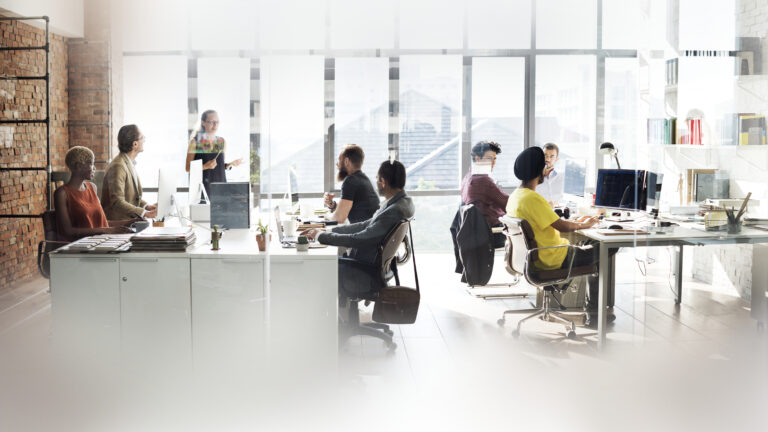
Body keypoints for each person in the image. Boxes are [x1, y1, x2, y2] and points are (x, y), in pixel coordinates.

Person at [505, 146, 614, 327]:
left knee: (592, 243)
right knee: (606, 246)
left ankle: (594, 310)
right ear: (540, 170)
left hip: (535, 257)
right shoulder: (532, 198)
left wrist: (580, 222)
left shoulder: (516, 196)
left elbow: (550, 220)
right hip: (554, 258)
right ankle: (594, 314)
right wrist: (584, 224)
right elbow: (562, 225)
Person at [302, 160, 415, 296]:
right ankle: (340, 313)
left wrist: (320, 236)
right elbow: (365, 224)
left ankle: (329, 314)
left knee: (317, 264)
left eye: (377, 180)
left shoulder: (394, 210)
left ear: (383, 182)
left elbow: (359, 239)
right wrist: (328, 231)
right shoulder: (403, 202)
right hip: (372, 266)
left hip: (364, 272)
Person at [54, 146, 133, 241]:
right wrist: (107, 231)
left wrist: (129, 222)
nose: (94, 168)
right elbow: (68, 231)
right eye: (91, 163)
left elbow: (101, 224)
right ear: (79, 166)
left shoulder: (92, 187)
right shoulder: (62, 193)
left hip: (100, 242)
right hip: (79, 247)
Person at [101, 125, 158, 220]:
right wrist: (145, 214)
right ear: (135, 144)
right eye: (142, 138)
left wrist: (147, 206)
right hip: (119, 225)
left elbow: (131, 197)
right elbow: (117, 202)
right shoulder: (118, 165)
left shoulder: (128, 162)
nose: (144, 141)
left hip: (128, 222)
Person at [460, 140, 508, 248]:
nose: (493, 163)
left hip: (477, 232)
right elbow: (507, 204)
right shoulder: (483, 180)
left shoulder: (468, 177)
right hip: (492, 234)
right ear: (477, 158)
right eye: (489, 158)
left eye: (495, 158)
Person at [185, 110, 243, 198]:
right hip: (202, 191)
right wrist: (205, 166)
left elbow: (219, 166)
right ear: (203, 123)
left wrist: (230, 164)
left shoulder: (221, 141)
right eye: (212, 122)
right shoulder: (195, 142)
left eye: (217, 122)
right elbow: (188, 168)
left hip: (221, 190)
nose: (215, 125)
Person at [323, 144, 380, 224]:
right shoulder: (364, 179)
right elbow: (350, 207)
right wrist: (332, 204)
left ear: (346, 161)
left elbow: (339, 219)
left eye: (339, 160)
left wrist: (326, 216)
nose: (337, 164)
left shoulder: (350, 181)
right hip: (369, 229)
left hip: (364, 233)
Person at [539, 142, 565, 207]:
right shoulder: (533, 178)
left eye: (552, 156)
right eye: (545, 155)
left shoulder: (561, 177)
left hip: (556, 210)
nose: (547, 159)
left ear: (556, 159)